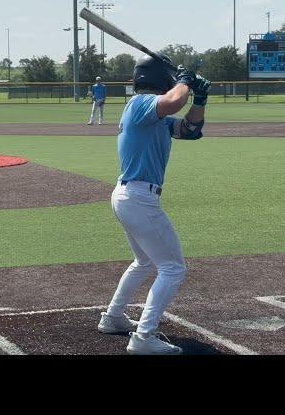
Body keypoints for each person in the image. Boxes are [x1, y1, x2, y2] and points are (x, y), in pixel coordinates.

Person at [97, 53, 211, 355]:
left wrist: (199, 98)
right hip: (139, 198)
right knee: (173, 269)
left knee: (145, 261)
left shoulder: (151, 116)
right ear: (163, 80)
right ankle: (144, 338)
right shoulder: (141, 105)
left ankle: (114, 317)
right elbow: (174, 101)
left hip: (129, 196)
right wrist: (186, 81)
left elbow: (190, 130)